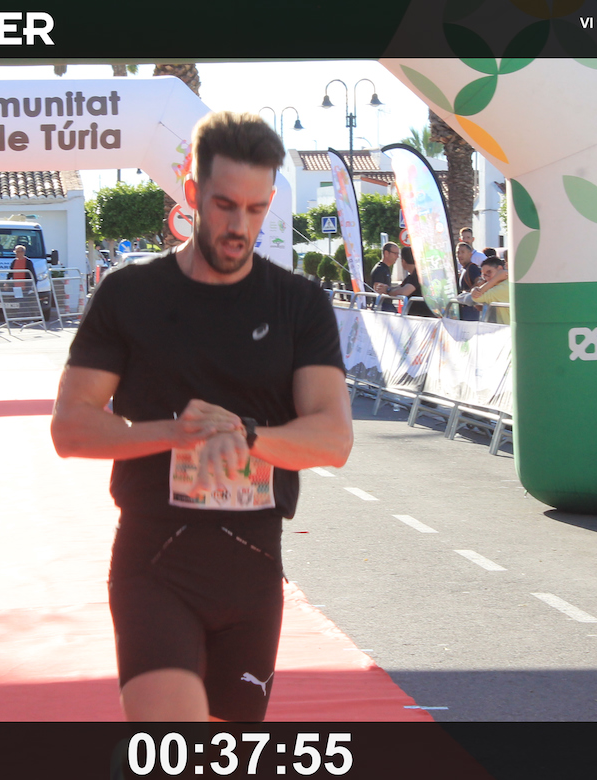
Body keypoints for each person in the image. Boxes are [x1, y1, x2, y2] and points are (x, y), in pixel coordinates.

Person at [51, 110, 353, 722]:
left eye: (256, 209)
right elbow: (70, 427)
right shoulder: (130, 295)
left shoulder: (298, 304)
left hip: (253, 568)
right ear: (191, 193)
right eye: (224, 205)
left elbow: (333, 438)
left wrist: (245, 435)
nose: (240, 226)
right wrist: (177, 432)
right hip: (155, 562)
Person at [387, 247, 434, 317]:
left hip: (422, 317)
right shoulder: (412, 276)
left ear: (403, 261)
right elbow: (400, 287)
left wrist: (388, 291)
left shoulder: (418, 274)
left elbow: (404, 291)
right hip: (419, 317)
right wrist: (387, 288)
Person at [468, 256, 510, 324]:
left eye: (489, 273)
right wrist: (475, 289)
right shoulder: (508, 282)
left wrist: (495, 279)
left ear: (500, 269)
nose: (487, 278)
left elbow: (476, 297)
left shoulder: (501, 288)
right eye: (484, 275)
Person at [455, 242, 482, 321]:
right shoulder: (464, 269)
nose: (460, 255)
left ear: (470, 254)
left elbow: (479, 282)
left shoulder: (472, 268)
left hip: (471, 310)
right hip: (465, 309)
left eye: (463, 252)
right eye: (458, 253)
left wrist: (467, 294)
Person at [370, 242, 400, 311]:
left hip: (387, 305)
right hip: (381, 306)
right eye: (395, 253)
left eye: (398, 254)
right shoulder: (380, 269)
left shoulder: (386, 268)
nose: (397, 256)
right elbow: (378, 290)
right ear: (386, 253)